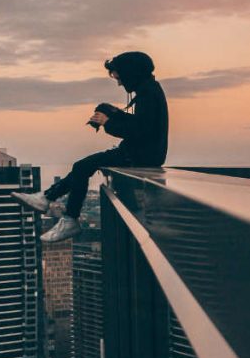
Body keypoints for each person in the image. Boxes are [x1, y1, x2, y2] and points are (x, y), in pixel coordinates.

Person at [13, 51, 169, 243]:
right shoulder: (149, 90)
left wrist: (108, 122)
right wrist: (109, 111)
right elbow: (142, 125)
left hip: (140, 156)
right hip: (138, 153)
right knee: (83, 166)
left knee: (82, 166)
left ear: (131, 73)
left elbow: (141, 130)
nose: (119, 82)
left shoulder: (147, 94)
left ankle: (65, 215)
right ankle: (47, 199)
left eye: (119, 76)